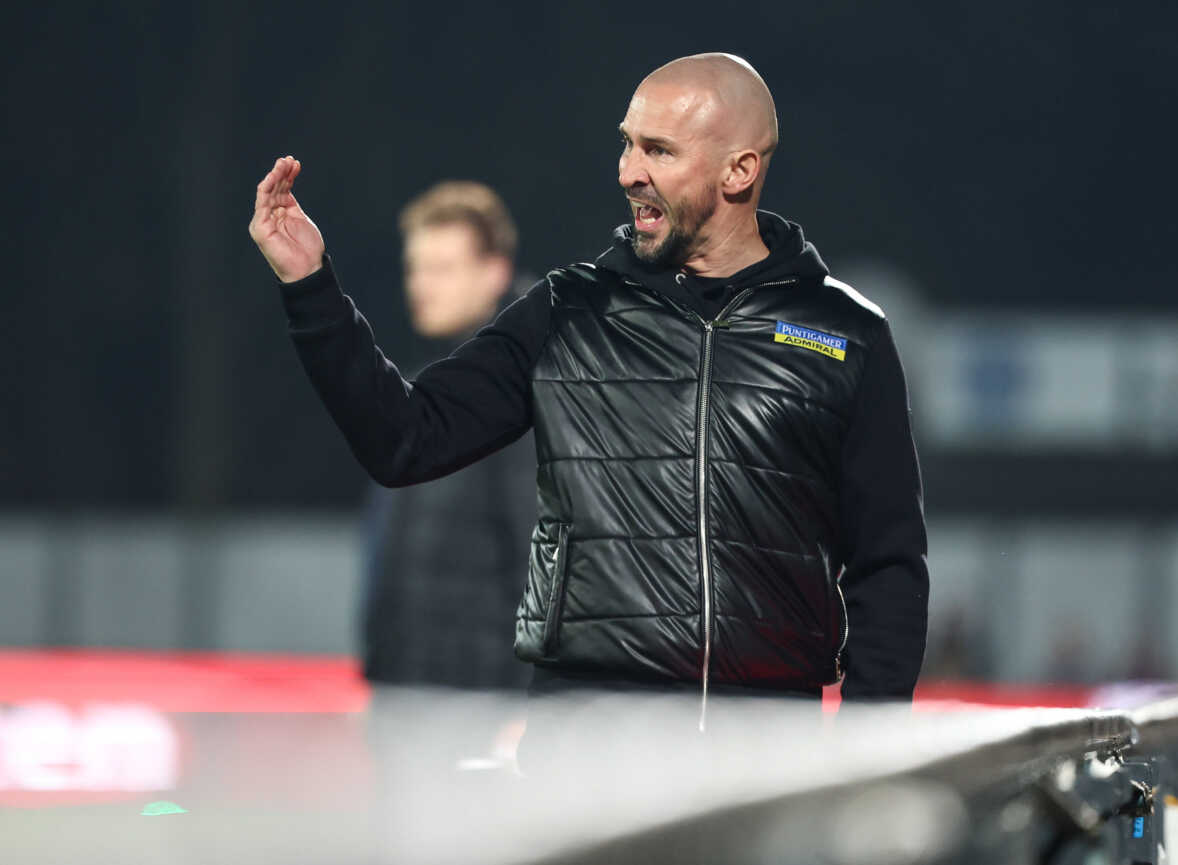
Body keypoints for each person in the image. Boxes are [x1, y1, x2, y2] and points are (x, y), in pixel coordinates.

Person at [250, 53, 928, 750]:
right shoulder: (566, 312)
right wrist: (311, 289)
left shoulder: (848, 336)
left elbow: (889, 568)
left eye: (658, 149)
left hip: (762, 760)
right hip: (584, 757)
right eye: (627, 142)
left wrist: (860, 757)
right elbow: (405, 437)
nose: (628, 170)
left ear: (739, 170)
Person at [359, 181, 536, 770]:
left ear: (494, 273)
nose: (420, 284)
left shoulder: (526, 394)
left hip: (479, 712)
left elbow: (545, 562)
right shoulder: (434, 384)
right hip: (412, 704)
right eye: (415, 268)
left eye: (440, 267)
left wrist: (525, 705)